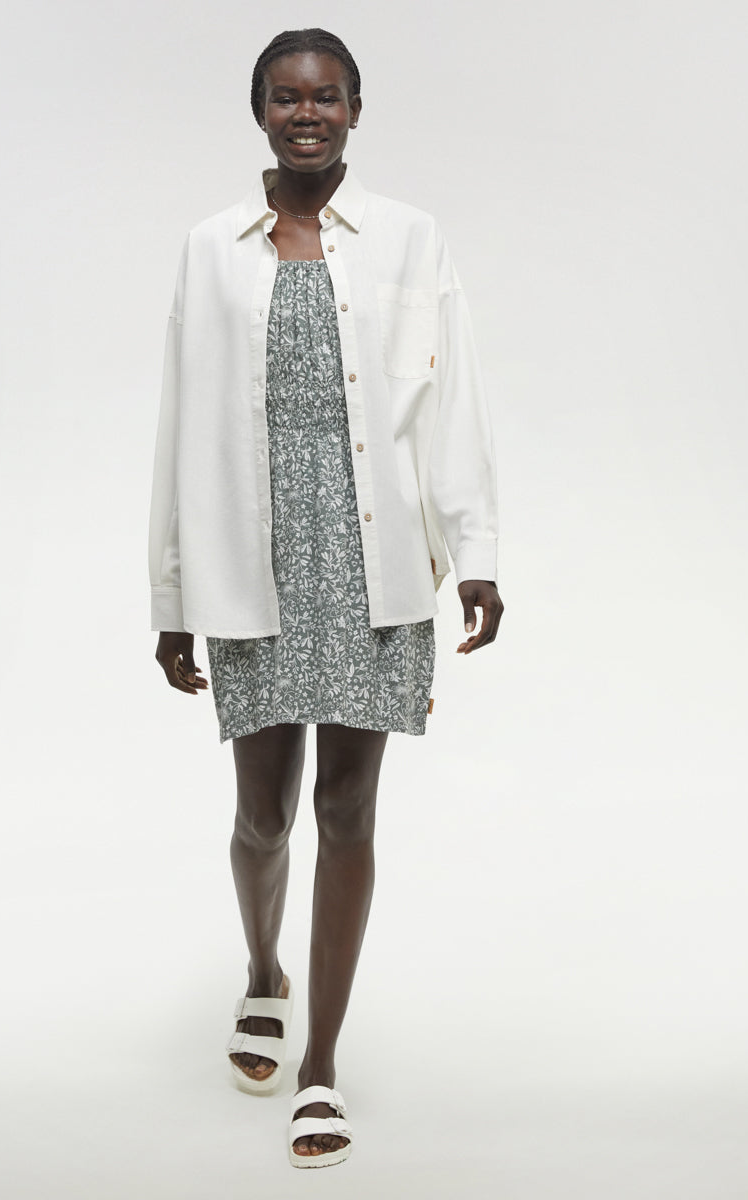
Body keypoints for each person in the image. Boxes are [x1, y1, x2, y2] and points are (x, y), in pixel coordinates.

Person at [149, 28, 504, 1169]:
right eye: (287, 97)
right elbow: (180, 423)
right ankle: (264, 971)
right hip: (250, 566)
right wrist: (172, 591)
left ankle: (320, 1067)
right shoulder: (209, 249)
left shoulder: (410, 238)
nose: (308, 113)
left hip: (373, 568)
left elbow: (451, 401)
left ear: (356, 108)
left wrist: (476, 550)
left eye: (328, 96)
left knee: (347, 810)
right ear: (259, 109)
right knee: (263, 815)